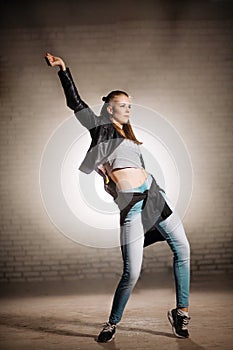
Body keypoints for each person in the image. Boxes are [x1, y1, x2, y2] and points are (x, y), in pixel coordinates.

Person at [45, 52, 191, 342]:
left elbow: (140, 169)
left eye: (129, 106)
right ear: (109, 108)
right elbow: (75, 103)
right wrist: (63, 69)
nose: (127, 110)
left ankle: (181, 312)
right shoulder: (99, 129)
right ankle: (112, 323)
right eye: (122, 105)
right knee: (131, 273)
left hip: (155, 197)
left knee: (183, 250)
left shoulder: (131, 137)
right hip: (132, 207)